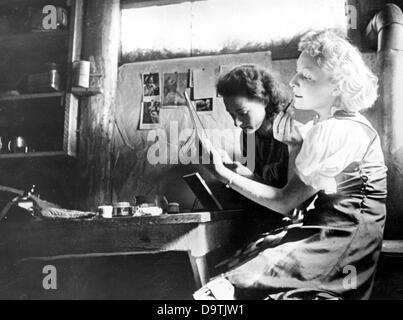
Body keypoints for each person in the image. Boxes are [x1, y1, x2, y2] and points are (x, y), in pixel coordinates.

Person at [194, 30, 387, 300]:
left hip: (340, 238)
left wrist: (223, 173)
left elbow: (287, 201)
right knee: (239, 268)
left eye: (306, 76)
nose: (293, 81)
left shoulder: (337, 131)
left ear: (336, 85)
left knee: (222, 289)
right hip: (332, 230)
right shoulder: (337, 126)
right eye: (298, 72)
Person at [216, 65, 292, 189]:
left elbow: (291, 199)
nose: (237, 123)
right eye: (231, 114)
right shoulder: (248, 135)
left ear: (264, 101)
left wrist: (248, 177)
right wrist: (229, 168)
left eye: (242, 113)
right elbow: (252, 180)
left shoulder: (292, 136)